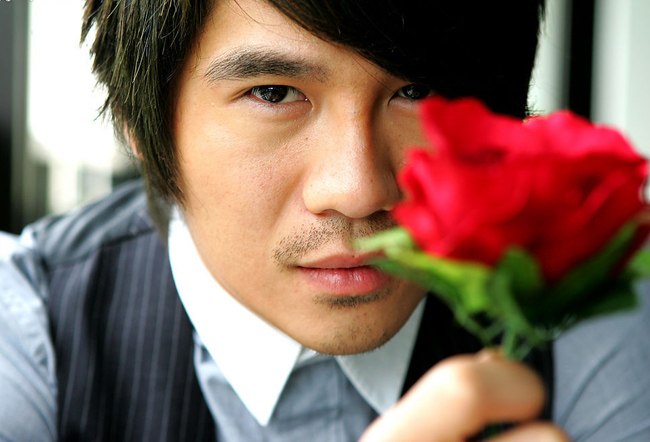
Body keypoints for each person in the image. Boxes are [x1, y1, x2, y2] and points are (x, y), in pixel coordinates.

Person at [1, 0, 649, 440]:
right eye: (274, 93)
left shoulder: (586, 302)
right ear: (138, 123)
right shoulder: (30, 328)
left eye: (417, 90)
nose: (358, 190)